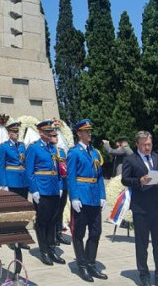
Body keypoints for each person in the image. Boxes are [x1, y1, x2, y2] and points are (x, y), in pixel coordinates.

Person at [121, 131, 158, 286]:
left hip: (157, 206)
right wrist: (140, 181)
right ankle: (143, 275)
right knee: (142, 244)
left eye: (149, 144)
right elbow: (125, 179)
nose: (147, 147)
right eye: (144, 145)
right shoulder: (130, 159)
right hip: (141, 208)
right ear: (137, 144)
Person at [67, 119, 107, 282]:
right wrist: (74, 197)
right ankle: (82, 266)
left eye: (90, 131)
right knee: (78, 233)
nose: (89, 134)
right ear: (79, 133)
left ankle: (91, 264)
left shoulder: (95, 152)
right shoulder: (74, 152)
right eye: (86, 131)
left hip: (94, 197)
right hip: (81, 197)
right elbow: (71, 177)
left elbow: (99, 176)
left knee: (96, 232)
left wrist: (102, 195)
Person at [25, 120, 65, 266]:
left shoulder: (53, 148)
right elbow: (29, 172)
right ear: (40, 132)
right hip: (42, 189)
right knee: (42, 222)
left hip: (54, 189)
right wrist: (34, 190)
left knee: (53, 220)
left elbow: (58, 168)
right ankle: (44, 251)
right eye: (47, 132)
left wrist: (60, 185)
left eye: (51, 132)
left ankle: (52, 248)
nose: (50, 134)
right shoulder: (34, 148)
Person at [0, 121, 31, 250]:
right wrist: (4, 184)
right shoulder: (3, 147)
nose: (16, 134)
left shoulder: (22, 146)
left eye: (17, 132)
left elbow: (26, 163)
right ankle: (10, 238)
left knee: (22, 210)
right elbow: (1, 167)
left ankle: (21, 238)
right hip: (11, 182)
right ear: (8, 133)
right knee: (12, 210)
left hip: (23, 182)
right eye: (14, 132)